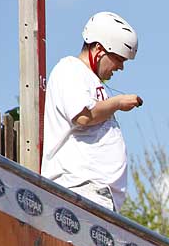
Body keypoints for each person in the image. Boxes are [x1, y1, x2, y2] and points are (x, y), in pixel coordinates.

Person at [41, 11, 144, 212]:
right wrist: (118, 102)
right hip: (79, 188)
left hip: (97, 194)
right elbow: (82, 116)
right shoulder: (70, 69)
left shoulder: (92, 80)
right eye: (118, 59)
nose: (120, 67)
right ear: (99, 48)